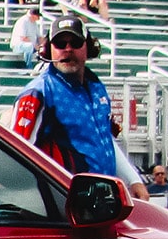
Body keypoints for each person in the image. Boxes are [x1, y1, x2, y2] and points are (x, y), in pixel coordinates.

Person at [9, 16, 118, 177]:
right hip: (63, 197)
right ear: (47, 49)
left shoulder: (96, 87)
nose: (68, 49)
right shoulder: (39, 92)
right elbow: (16, 156)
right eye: (60, 44)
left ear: (88, 47)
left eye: (75, 43)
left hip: (100, 194)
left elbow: (104, 140)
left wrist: (133, 179)